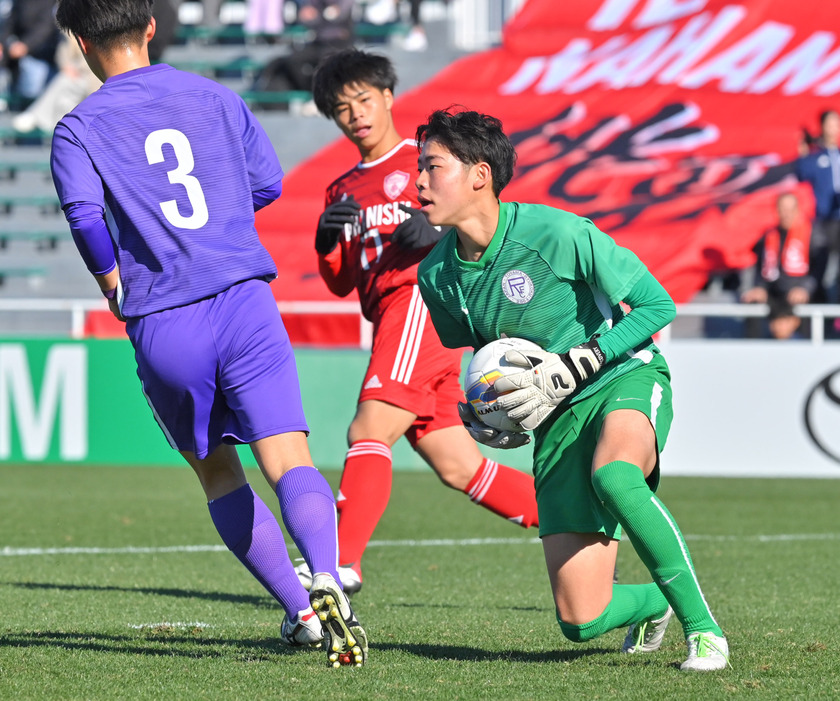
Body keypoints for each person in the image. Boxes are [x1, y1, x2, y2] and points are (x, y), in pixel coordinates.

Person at [49, 0, 366, 668]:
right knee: (291, 460)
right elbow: (267, 184)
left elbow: (83, 215)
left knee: (221, 473)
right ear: (152, 27)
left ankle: (302, 613)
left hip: (166, 317)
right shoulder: (216, 96)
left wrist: (112, 281)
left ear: (81, 41)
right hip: (244, 299)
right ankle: (331, 575)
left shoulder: (78, 127)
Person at [416, 108, 729, 672]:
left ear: (479, 176)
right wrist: (486, 411)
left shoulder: (558, 232)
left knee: (615, 475)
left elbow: (658, 306)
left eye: (431, 168)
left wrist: (581, 360)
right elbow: (484, 358)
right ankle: (655, 600)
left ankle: (704, 631)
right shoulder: (435, 275)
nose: (418, 182)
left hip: (621, 375)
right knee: (581, 621)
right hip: (554, 418)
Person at [298, 50, 540, 595]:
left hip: (419, 305)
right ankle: (579, 524)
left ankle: (340, 565)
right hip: (387, 316)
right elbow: (341, 283)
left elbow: (485, 218)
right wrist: (325, 244)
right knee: (459, 467)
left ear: (387, 97)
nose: (355, 113)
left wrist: (441, 232)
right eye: (341, 108)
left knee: (368, 430)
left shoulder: (427, 160)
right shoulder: (341, 190)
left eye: (363, 99)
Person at [795, 110, 840, 324]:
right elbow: (800, 175)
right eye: (830, 124)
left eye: (838, 124)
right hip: (825, 220)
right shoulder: (814, 157)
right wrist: (804, 153)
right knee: (823, 269)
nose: (835, 128)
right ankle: (821, 318)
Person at [739, 192, 815, 340]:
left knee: (800, 302)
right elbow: (761, 268)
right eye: (782, 210)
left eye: (790, 209)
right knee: (753, 301)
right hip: (774, 292)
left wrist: (805, 288)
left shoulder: (813, 234)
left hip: (798, 291)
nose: (786, 214)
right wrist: (758, 288)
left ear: (797, 210)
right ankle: (751, 350)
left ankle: (806, 347)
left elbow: (818, 271)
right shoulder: (769, 235)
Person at [0, 0, 60, 111]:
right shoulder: (19, 2)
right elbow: (10, 22)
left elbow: (45, 28)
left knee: (32, 79)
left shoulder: (48, 3)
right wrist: (3, 44)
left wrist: (26, 46)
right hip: (15, 51)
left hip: (42, 54)